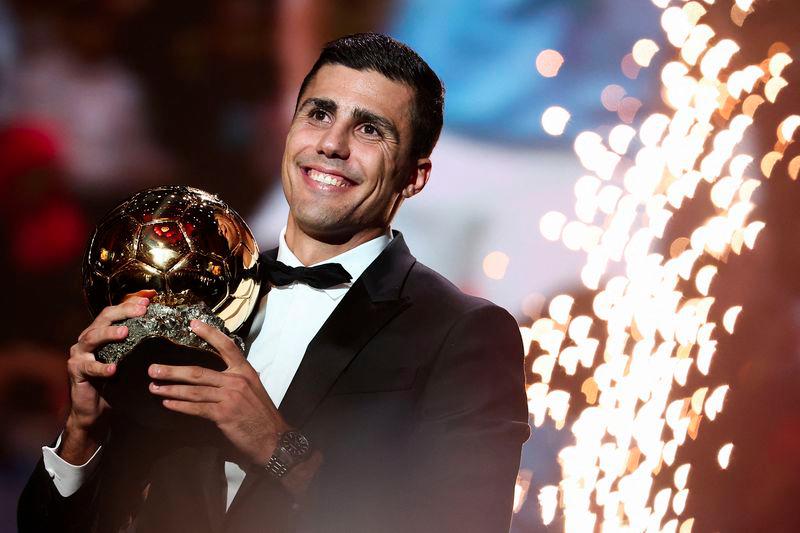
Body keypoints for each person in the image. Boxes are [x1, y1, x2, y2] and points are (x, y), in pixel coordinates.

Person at [18, 33, 530, 533]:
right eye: (319, 114)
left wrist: (279, 448)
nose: (332, 144)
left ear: (415, 177)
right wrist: (81, 435)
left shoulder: (464, 334)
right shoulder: (191, 292)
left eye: (370, 130)